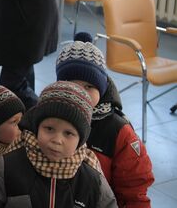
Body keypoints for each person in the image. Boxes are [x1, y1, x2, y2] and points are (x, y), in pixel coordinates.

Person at [0, 81, 117, 207]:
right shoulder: (8, 166)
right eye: (49, 129)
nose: (57, 140)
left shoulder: (91, 179)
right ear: (36, 127)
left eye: (68, 133)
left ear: (81, 139)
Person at [56, 32, 154, 207]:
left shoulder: (119, 131)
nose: (81, 93)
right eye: (72, 84)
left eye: (89, 86)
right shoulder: (47, 115)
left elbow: (134, 191)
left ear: (101, 89)